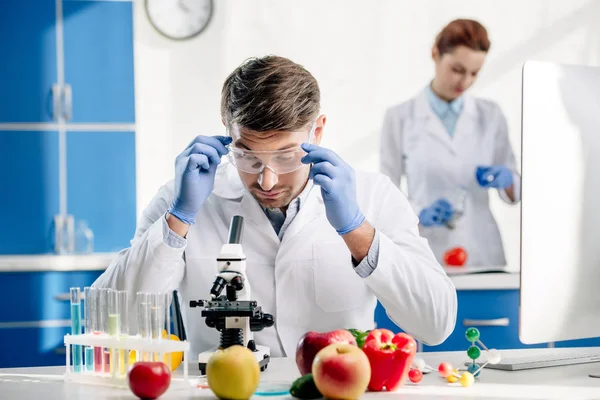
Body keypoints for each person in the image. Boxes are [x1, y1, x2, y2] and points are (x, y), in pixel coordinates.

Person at [93, 55, 457, 359]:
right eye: (247, 156)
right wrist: (178, 219)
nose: (267, 181)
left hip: (336, 391)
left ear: (317, 132)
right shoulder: (184, 196)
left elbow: (435, 324)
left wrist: (358, 232)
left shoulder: (374, 195)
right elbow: (111, 321)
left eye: (286, 156)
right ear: (226, 131)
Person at [380, 19, 521, 267]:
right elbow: (386, 193)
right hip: (427, 249)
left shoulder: (490, 115)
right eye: (457, 69)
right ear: (435, 54)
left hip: (482, 251)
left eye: (474, 73)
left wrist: (508, 179)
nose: (464, 82)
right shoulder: (400, 117)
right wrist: (416, 214)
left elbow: (514, 191)